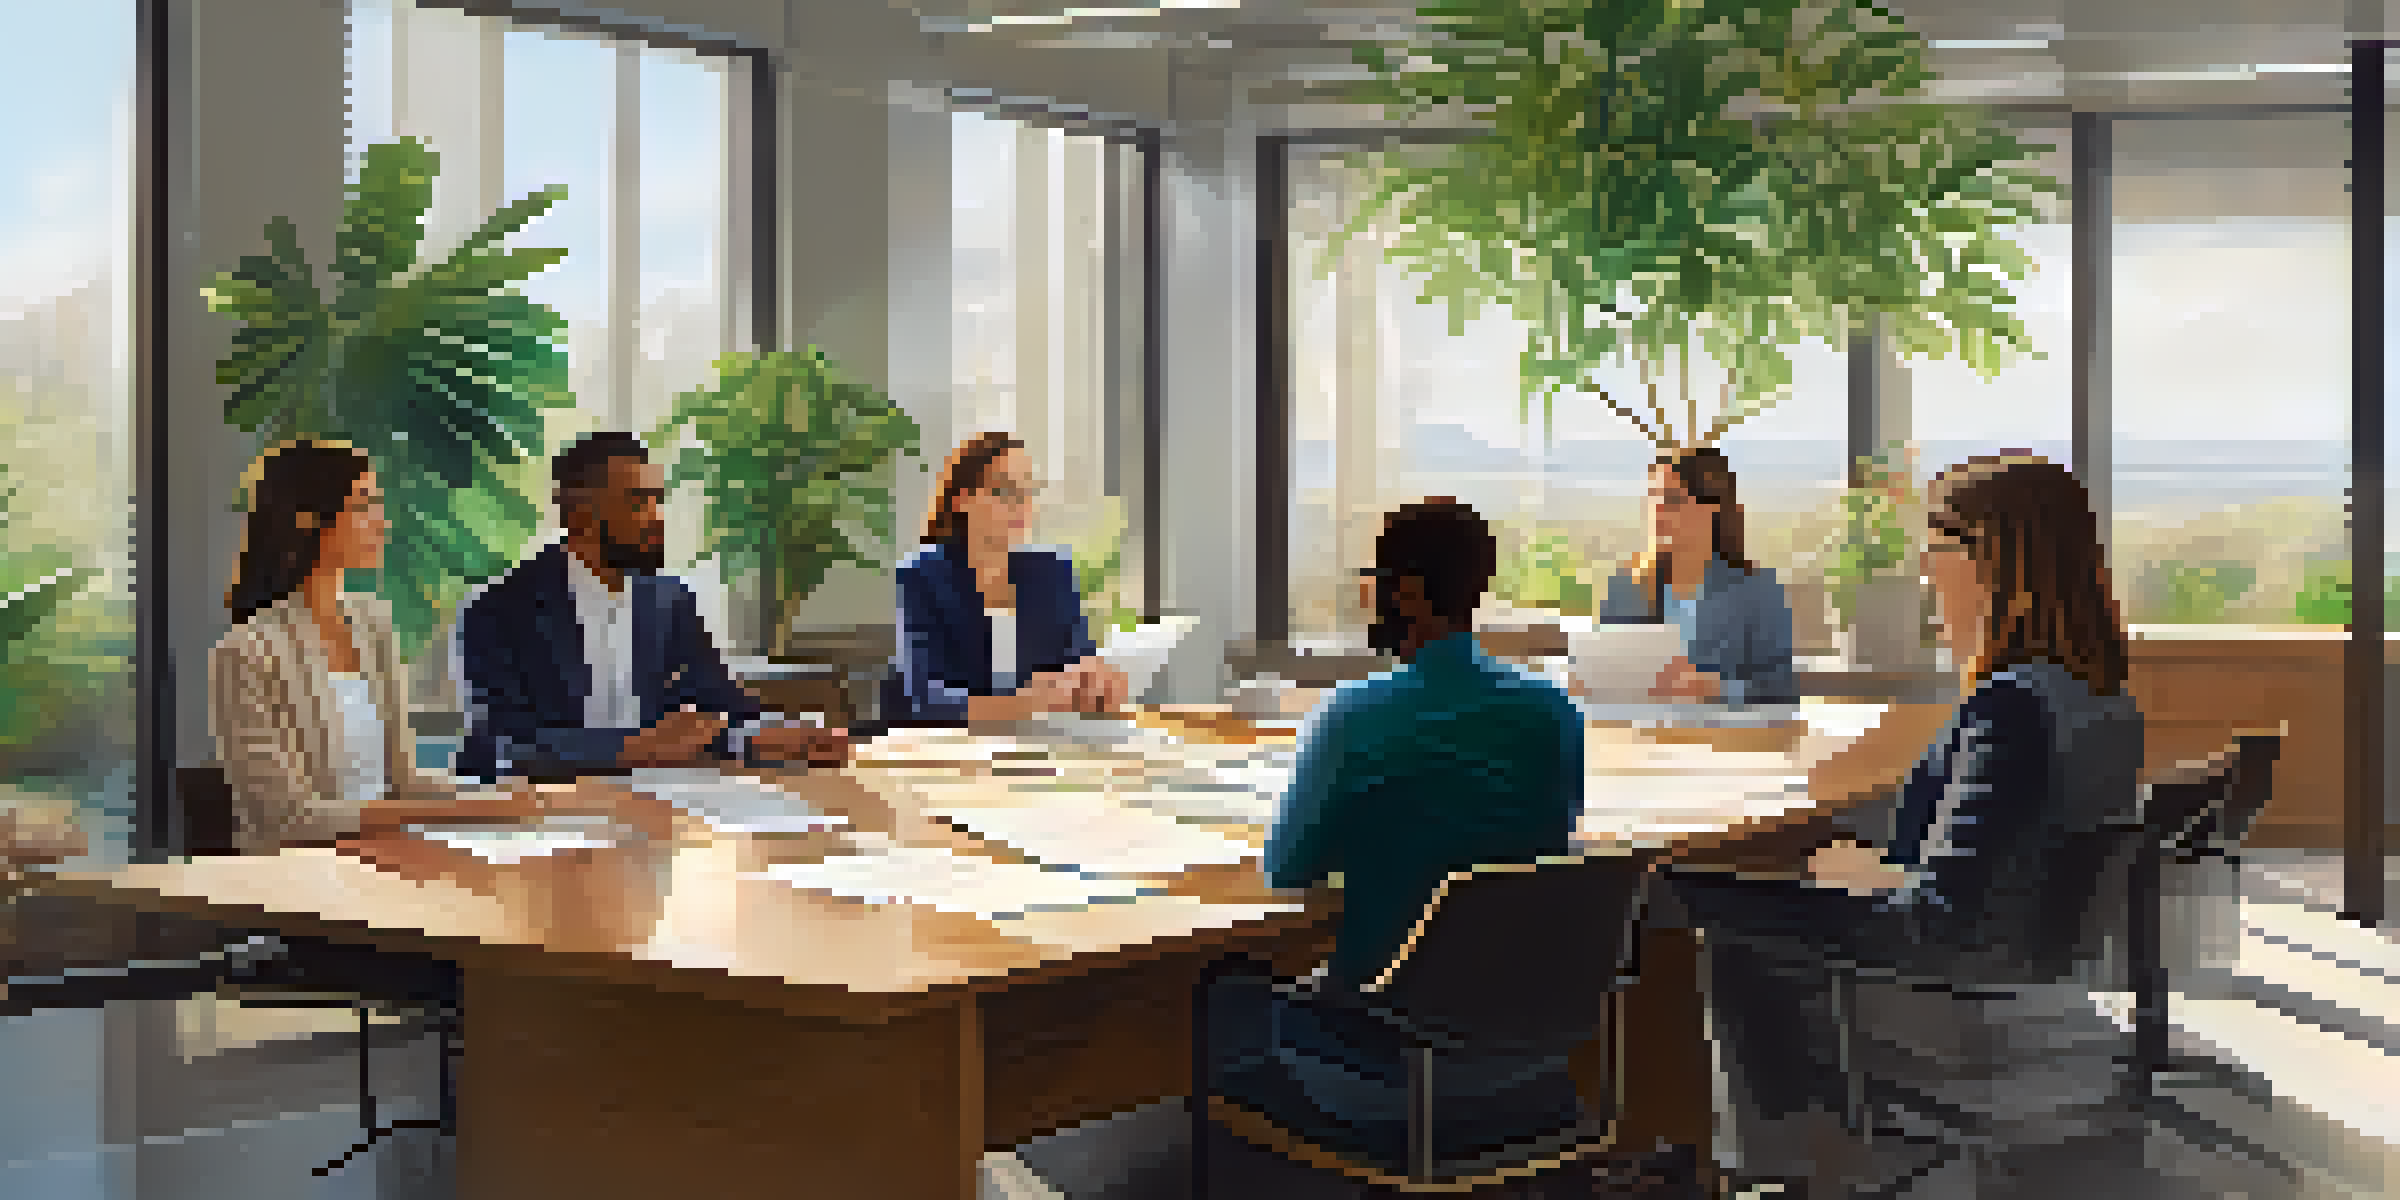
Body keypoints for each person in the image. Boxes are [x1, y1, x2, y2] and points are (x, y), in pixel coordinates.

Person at [1667, 453, 2154, 1199]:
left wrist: (1865, 873)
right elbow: (1999, 870)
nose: (1924, 564)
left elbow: (1943, 920)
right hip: (2024, 974)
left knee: (1678, 900)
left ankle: (1761, 1165)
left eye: (1941, 543)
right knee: (1746, 887)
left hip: (1956, 989)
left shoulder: (2012, 707)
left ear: (2003, 563)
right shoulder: (2095, 697)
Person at [1200, 498, 1589, 1166]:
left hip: (1384, 1063)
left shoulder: (1354, 716)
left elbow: (1289, 869)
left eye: (1373, 578)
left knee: (1222, 991)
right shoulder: (1553, 714)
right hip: (1530, 1051)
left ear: (1403, 590)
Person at [208, 440, 542, 851]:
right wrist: (463, 811)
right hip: (298, 881)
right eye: (364, 505)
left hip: (384, 859)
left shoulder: (374, 629)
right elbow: (288, 817)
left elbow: (405, 780)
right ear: (307, 519)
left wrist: (497, 797)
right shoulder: (247, 652)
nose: (381, 522)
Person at [457, 432, 850, 780]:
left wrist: (772, 736)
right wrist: (635, 748)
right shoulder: (497, 610)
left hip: (656, 809)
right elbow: (502, 744)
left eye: (658, 500)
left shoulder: (669, 601)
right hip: (541, 820)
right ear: (578, 515)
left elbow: (721, 707)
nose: (656, 518)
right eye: (637, 502)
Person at [885, 432, 1129, 725]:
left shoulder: (1054, 572)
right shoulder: (921, 577)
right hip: (954, 748)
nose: (1021, 504)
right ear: (963, 500)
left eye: (1028, 490)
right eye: (1005, 490)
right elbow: (926, 700)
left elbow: (1080, 660)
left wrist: (1097, 682)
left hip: (1046, 744)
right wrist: (1026, 704)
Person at [1600, 445, 1795, 704]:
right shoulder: (1627, 586)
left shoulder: (1758, 591)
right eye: (1653, 497)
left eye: (1672, 499)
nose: (1658, 510)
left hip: (1728, 739)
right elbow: (1604, 672)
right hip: (1638, 734)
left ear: (1711, 507)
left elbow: (1783, 692)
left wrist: (1720, 689)